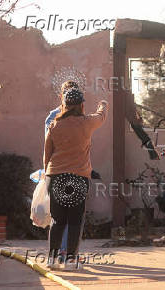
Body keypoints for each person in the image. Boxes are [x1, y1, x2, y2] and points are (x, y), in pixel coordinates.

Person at [44, 88, 108, 270]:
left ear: (64, 105)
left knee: (57, 220)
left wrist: (46, 174)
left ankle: (52, 259)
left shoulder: (54, 125)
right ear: (81, 105)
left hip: (55, 176)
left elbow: (46, 155)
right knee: (75, 220)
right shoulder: (87, 123)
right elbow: (101, 116)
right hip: (78, 177)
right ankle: (71, 260)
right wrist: (103, 105)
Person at [45, 80, 79, 260]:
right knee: (63, 218)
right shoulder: (53, 117)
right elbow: (48, 147)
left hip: (67, 172)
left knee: (65, 217)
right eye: (68, 93)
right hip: (62, 172)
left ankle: (61, 253)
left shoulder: (80, 118)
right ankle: (61, 253)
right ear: (61, 96)